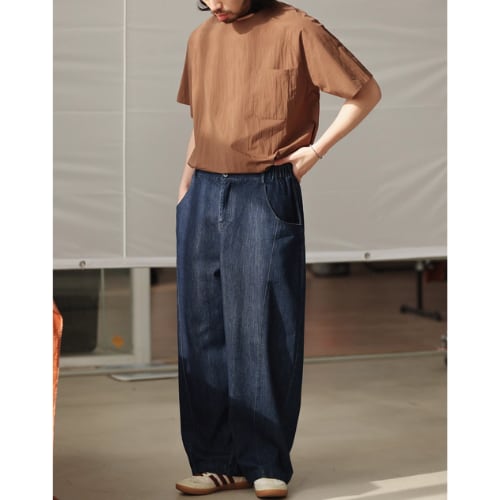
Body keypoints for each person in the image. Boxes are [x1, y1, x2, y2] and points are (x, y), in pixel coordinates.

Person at [174, 1, 381, 497]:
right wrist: (183, 190)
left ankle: (265, 460)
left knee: (262, 328)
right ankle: (216, 461)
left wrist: (316, 150)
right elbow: (201, 121)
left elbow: (365, 91)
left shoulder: (297, 28)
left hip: (264, 189)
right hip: (202, 189)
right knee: (202, 331)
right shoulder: (202, 37)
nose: (214, 3)